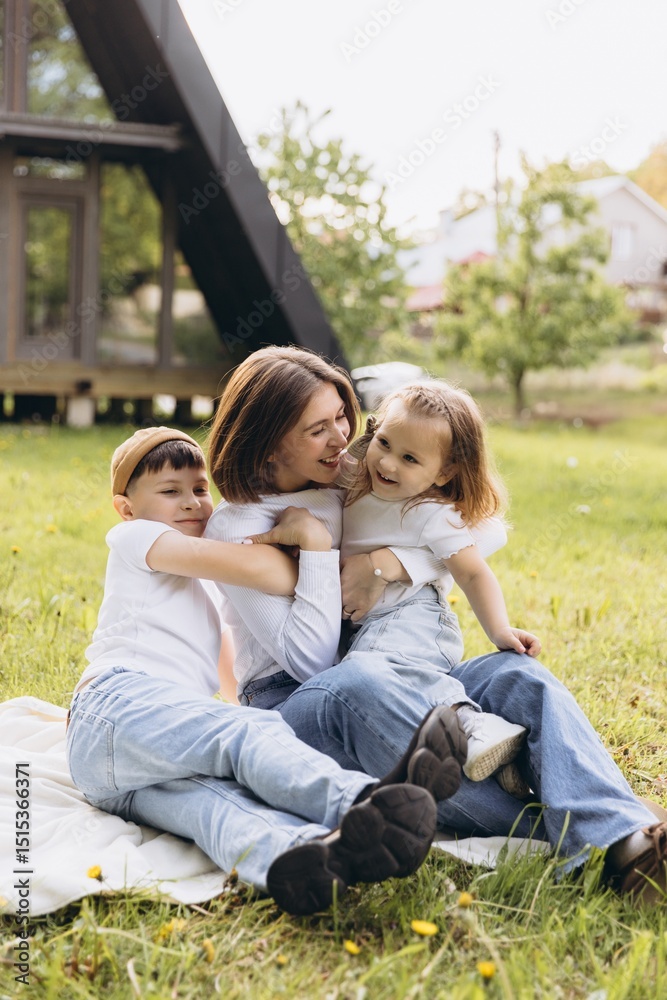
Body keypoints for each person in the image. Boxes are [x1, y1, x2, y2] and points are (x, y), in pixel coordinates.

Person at [205, 346, 667, 905]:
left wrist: (390, 565)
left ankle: (629, 846)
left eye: (343, 419)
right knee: (359, 683)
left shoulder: (349, 474)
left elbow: (485, 526)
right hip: (298, 700)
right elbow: (309, 661)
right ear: (269, 437)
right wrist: (319, 548)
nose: (343, 438)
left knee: (516, 675)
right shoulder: (240, 527)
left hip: (401, 670)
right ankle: (600, 835)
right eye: (318, 428)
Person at [65, 426, 469, 916]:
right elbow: (239, 565)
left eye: (199, 490)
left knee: (216, 804)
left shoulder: (198, 590)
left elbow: (225, 670)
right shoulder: (136, 537)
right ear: (126, 507)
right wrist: (314, 552)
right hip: (114, 705)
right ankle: (367, 802)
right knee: (246, 733)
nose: (192, 503)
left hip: (121, 768)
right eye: (170, 492)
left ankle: (298, 857)